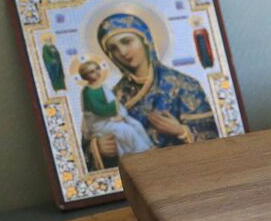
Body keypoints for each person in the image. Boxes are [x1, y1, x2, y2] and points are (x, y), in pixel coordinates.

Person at [93, 12, 218, 159]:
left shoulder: (184, 85)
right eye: (113, 48)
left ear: (145, 40)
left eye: (127, 41)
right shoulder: (115, 95)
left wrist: (182, 132)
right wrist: (98, 147)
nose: (122, 52)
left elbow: (214, 142)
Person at [77, 58, 152, 165]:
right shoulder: (87, 92)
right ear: (85, 75)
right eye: (92, 71)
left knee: (136, 124)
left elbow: (115, 103)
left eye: (97, 69)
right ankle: (141, 154)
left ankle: (149, 149)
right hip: (100, 123)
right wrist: (115, 107)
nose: (97, 72)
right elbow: (98, 109)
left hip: (111, 118)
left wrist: (120, 115)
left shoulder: (103, 86)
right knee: (126, 130)